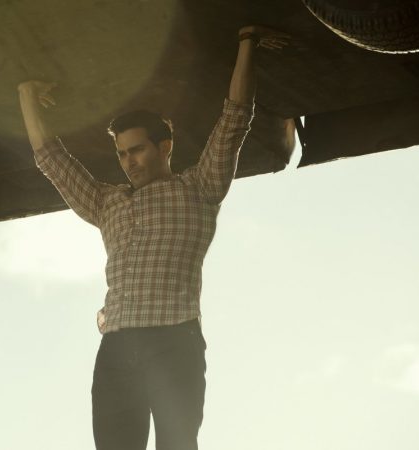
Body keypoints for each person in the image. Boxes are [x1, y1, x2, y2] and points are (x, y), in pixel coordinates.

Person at [18, 25, 288, 450]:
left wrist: (247, 42)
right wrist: (26, 96)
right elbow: (51, 160)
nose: (129, 162)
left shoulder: (198, 188)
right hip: (116, 347)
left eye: (138, 150)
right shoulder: (105, 202)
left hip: (173, 341)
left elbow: (235, 118)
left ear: (165, 147)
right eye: (122, 154)